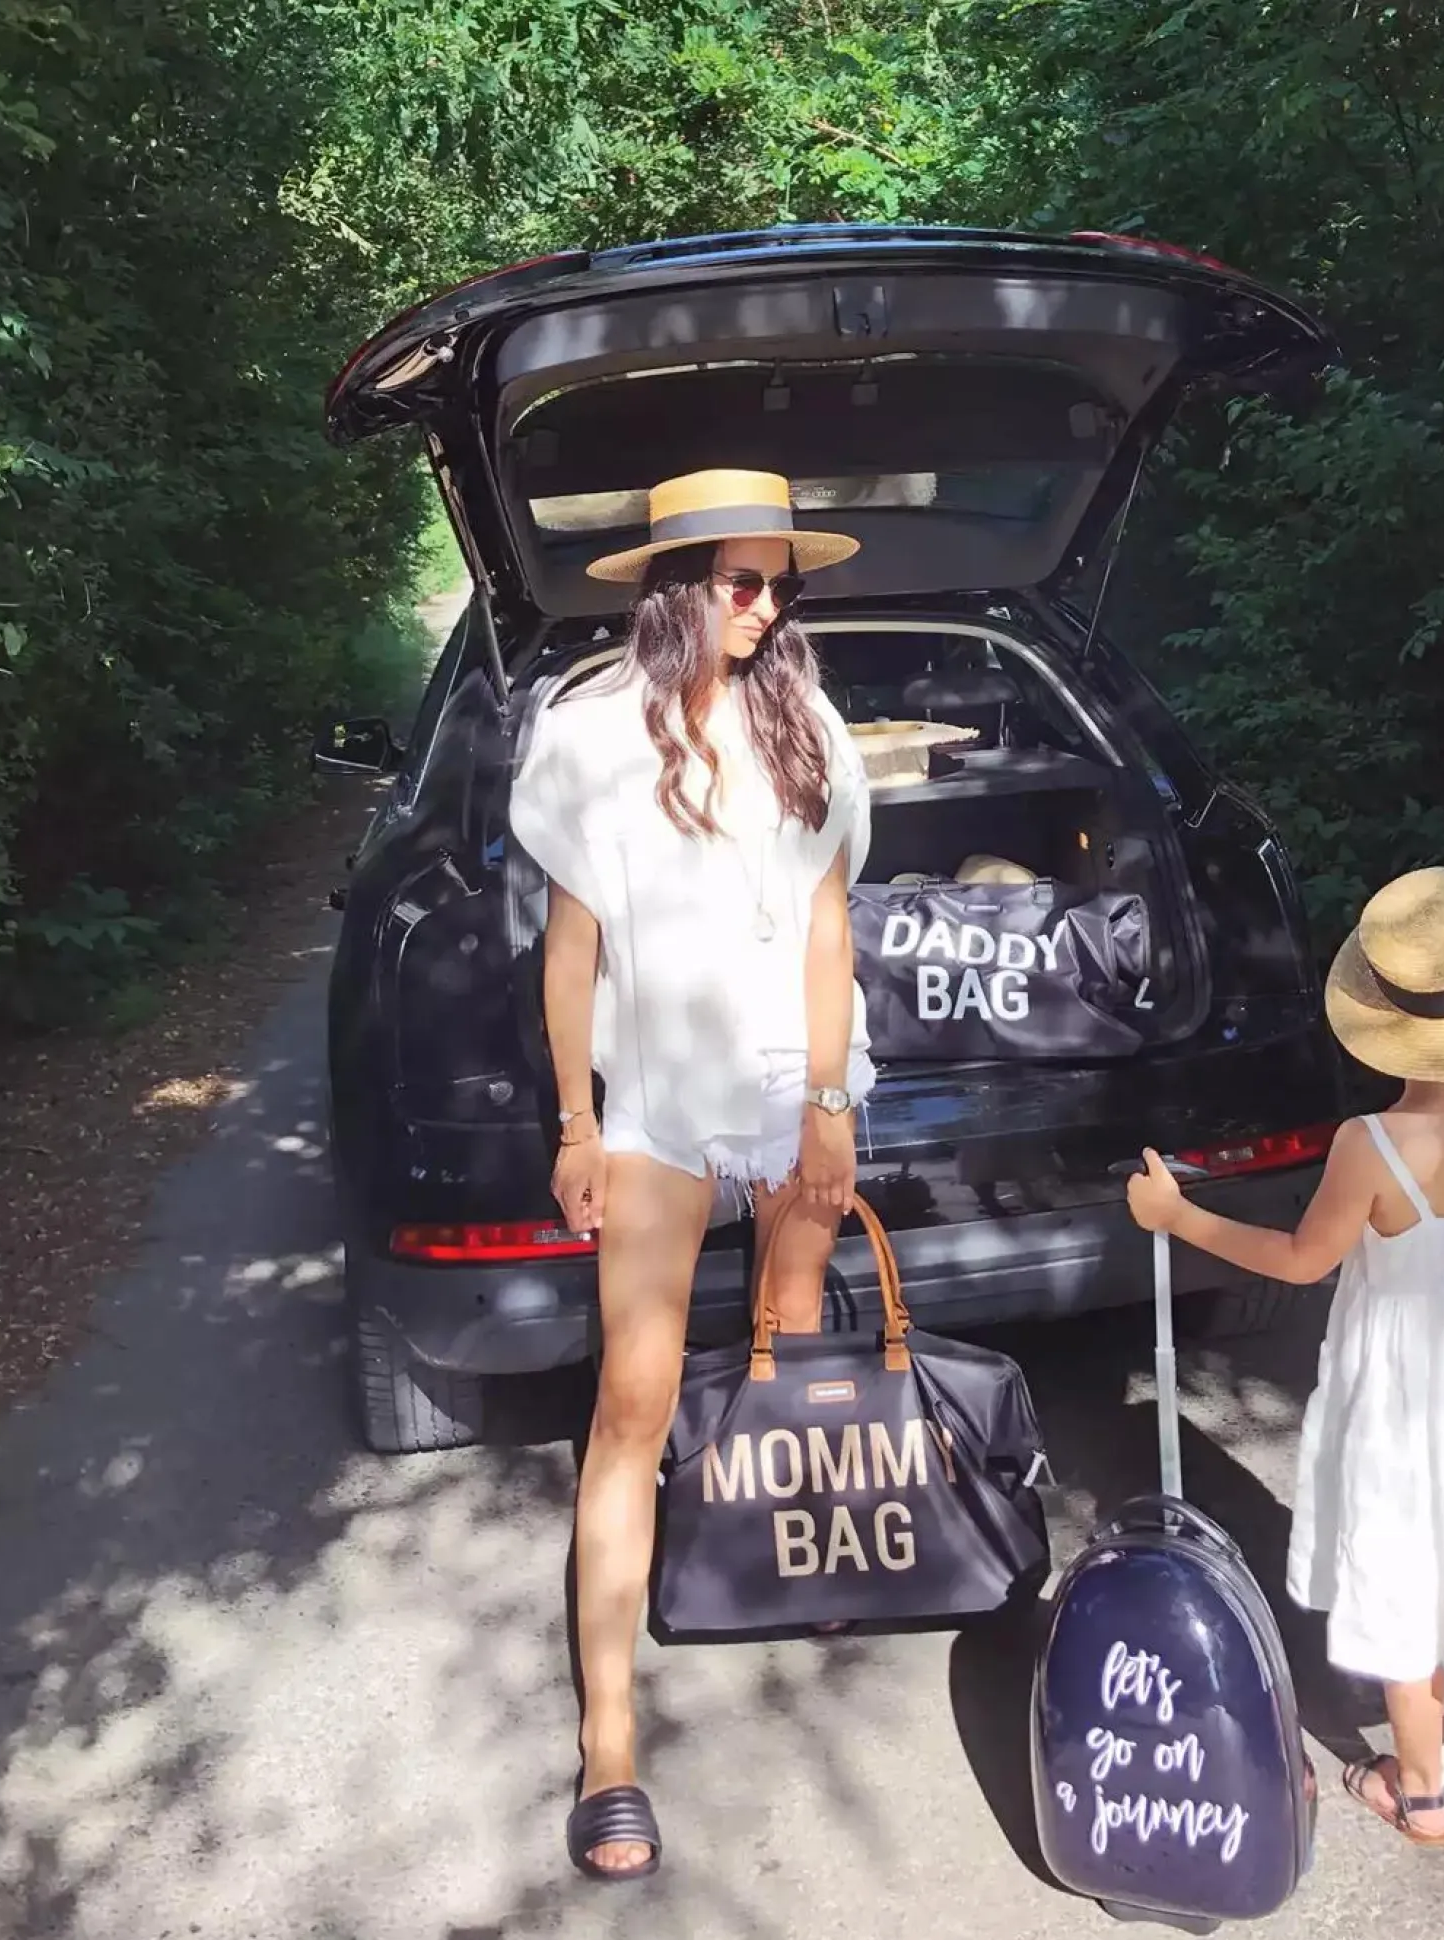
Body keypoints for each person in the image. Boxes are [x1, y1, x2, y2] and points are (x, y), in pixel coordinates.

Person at [507, 469, 876, 1883]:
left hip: (794, 1086)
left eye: (783, 581)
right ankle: (609, 1745)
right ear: (675, 587)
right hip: (658, 1102)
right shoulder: (590, 735)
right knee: (632, 1400)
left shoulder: (804, 719)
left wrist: (829, 1105)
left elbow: (831, 930)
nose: (768, 606)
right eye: (743, 581)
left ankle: (785, 1559)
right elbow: (571, 954)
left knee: (789, 1342)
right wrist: (575, 1122)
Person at [1125, 865, 1444, 1848]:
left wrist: (1177, 1216)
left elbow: (1301, 1261)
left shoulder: (1370, 1143)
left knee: (1401, 1577)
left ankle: (1418, 1793)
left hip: (1396, 1399)